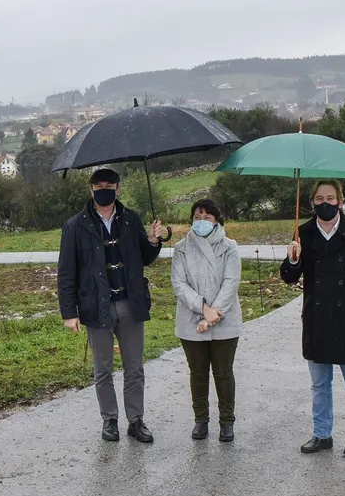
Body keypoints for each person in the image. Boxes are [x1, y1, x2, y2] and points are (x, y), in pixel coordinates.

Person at [57, 168, 169, 443]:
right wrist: (69, 312)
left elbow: (145, 257)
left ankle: (135, 420)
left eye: (109, 185)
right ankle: (110, 420)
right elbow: (66, 271)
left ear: (118, 189)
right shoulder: (75, 225)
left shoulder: (130, 219)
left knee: (134, 368)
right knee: (103, 369)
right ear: (91, 190)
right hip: (97, 307)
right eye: (98, 185)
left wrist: (156, 240)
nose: (104, 189)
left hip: (131, 304)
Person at [280, 179, 345, 458]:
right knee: (319, 385)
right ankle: (321, 434)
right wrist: (292, 260)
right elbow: (290, 277)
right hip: (317, 321)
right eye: (319, 199)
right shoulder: (303, 233)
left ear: (340, 201)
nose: (324, 204)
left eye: (330, 198)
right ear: (312, 202)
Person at [170, 199, 242, 442]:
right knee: (197, 373)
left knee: (223, 373)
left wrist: (214, 314)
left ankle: (227, 421)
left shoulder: (229, 247)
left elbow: (231, 283)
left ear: (217, 220)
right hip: (192, 320)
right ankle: (201, 420)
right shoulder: (181, 248)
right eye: (197, 217)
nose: (201, 222)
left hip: (225, 320)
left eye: (207, 217)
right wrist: (202, 307)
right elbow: (179, 284)